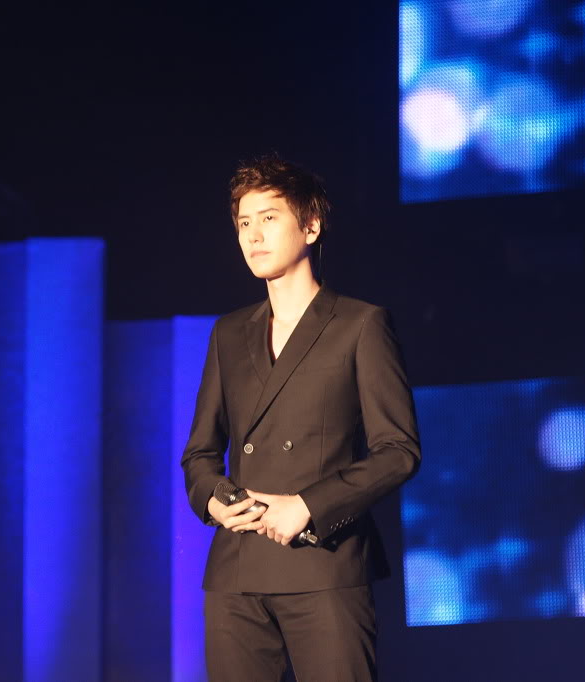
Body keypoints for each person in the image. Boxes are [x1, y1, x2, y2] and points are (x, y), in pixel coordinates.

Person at [181, 154, 421, 681]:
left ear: (310, 226)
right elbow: (200, 452)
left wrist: (308, 506)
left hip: (324, 563)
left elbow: (398, 451)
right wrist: (214, 501)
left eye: (269, 218)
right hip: (237, 569)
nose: (253, 235)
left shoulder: (360, 324)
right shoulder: (229, 333)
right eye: (244, 222)